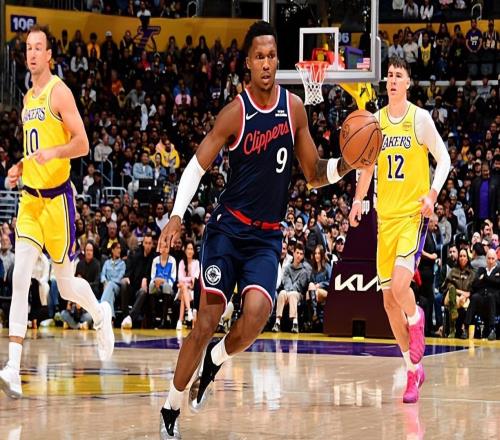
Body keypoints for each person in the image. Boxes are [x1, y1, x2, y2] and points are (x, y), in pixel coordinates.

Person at [158, 21, 356, 438]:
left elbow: (313, 173)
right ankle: (171, 405)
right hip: (228, 231)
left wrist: (345, 164)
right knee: (207, 319)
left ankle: (215, 360)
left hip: (266, 237)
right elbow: (197, 165)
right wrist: (176, 214)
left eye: (272, 56)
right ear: (247, 63)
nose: (266, 63)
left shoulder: (294, 109)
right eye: (259, 56)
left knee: (256, 316)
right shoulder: (236, 112)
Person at [0, 25, 114, 399]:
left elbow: (82, 143)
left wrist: (54, 153)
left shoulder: (58, 92)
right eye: (28, 48)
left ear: (49, 55)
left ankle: (100, 313)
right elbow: (33, 148)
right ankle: (13, 367)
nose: (32, 53)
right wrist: (20, 167)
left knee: (65, 285)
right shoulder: (27, 99)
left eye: (39, 48)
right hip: (30, 202)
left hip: (58, 202)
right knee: (20, 276)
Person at [349, 56, 450, 404]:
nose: (392, 80)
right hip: (385, 219)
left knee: (401, 285)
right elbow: (367, 168)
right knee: (388, 301)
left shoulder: (419, 119)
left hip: (411, 216)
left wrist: (432, 194)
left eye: (398, 76)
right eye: (389, 75)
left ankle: (416, 315)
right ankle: (412, 370)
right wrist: (358, 201)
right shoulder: (375, 123)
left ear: (408, 83)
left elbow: (444, 158)